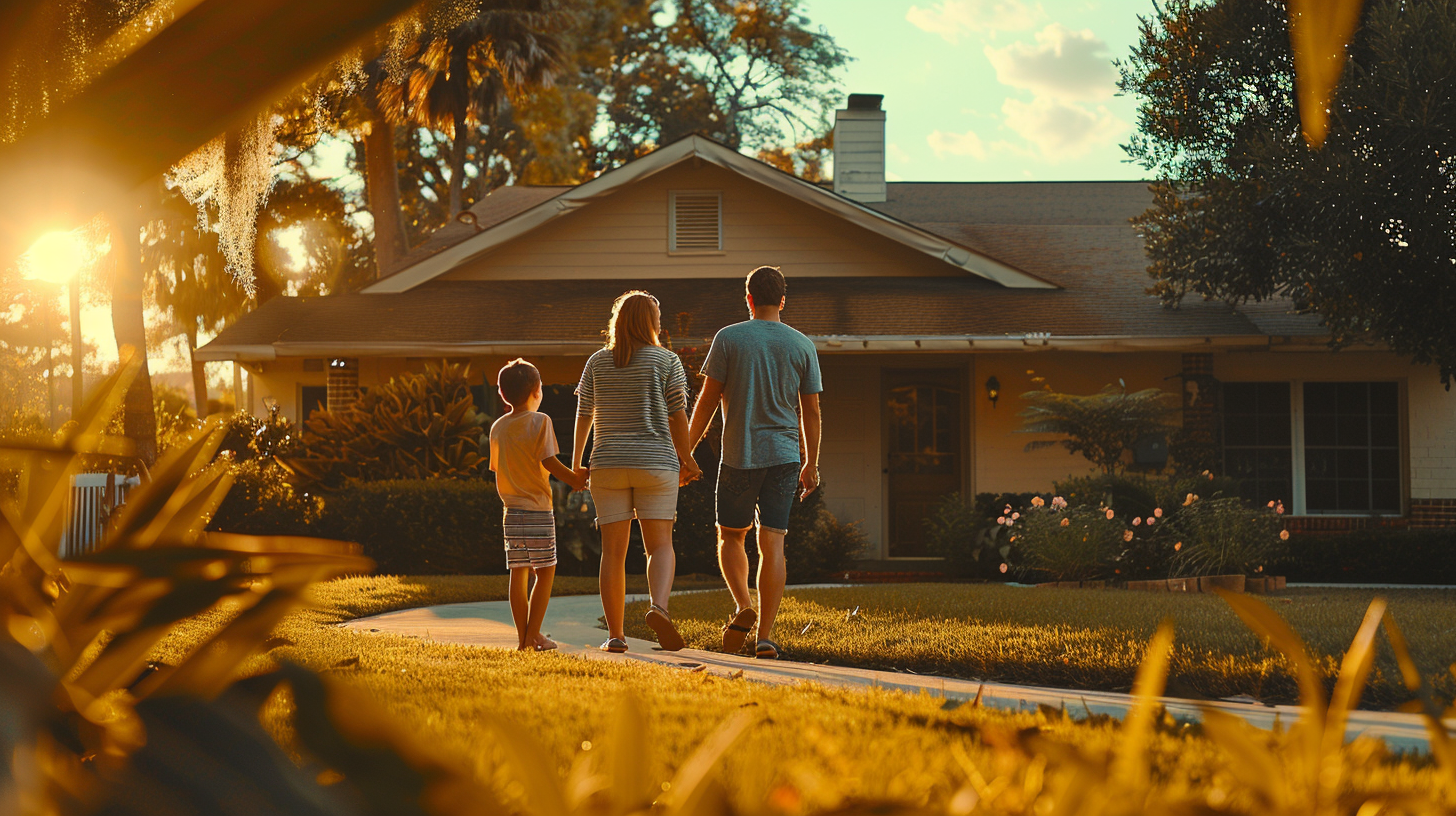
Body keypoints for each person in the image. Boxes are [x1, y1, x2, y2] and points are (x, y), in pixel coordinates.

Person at [686, 266, 822, 660]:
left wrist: (686, 452)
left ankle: (743, 603)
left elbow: (707, 403)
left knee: (731, 536)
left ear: (747, 298)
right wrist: (811, 462)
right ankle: (764, 635)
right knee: (773, 542)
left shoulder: (729, 338)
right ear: (782, 300)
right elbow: (810, 411)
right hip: (784, 457)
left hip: (739, 457)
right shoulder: (802, 345)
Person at [572, 290, 700, 653]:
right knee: (659, 546)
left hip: (608, 463)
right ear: (651, 323)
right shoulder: (667, 361)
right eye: (658, 318)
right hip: (656, 463)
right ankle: (658, 607)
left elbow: (584, 415)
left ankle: (615, 635)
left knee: (613, 552)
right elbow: (678, 415)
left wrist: (577, 464)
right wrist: (687, 457)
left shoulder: (597, 362)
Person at [489, 358, 587, 652]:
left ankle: (525, 639)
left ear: (503, 393)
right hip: (537, 509)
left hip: (511, 510)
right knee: (545, 572)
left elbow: (498, 468)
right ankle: (533, 637)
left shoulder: (498, 427)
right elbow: (548, 461)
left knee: (518, 573)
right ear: (536, 391)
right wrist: (574, 479)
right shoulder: (540, 421)